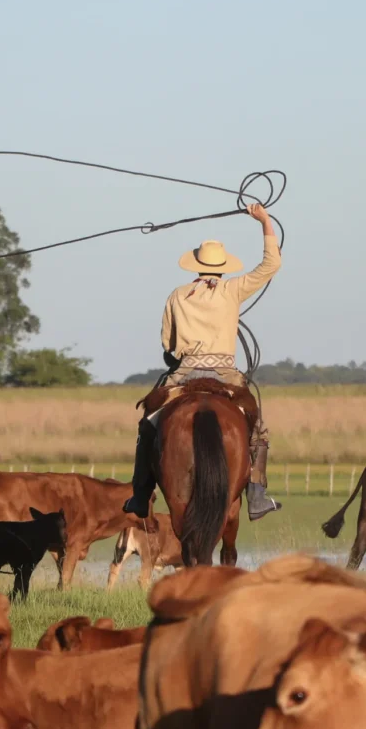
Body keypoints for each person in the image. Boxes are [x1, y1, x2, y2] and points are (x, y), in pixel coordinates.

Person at [123, 203, 282, 521]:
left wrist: (179, 355)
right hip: (225, 373)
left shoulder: (177, 295)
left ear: (196, 265)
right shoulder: (232, 290)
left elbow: (167, 344)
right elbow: (271, 264)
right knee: (257, 431)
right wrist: (264, 220)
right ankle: (257, 495)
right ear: (224, 267)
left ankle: (140, 495)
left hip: (183, 372)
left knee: (148, 426)